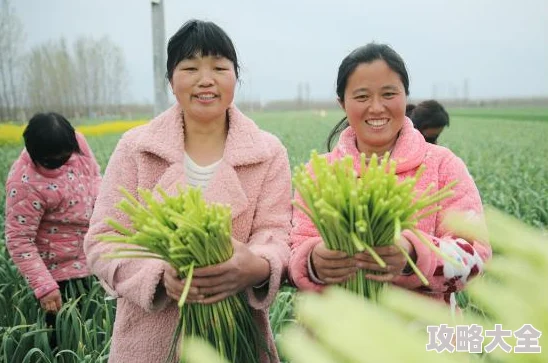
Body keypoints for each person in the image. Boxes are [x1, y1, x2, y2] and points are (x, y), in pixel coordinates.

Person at [84, 20, 292, 363]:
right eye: (190, 67)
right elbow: (104, 239)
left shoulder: (267, 152)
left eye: (219, 68)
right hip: (149, 341)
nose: (205, 79)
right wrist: (158, 276)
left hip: (236, 341)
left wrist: (253, 266)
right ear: (171, 80)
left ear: (235, 77)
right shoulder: (136, 149)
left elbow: (278, 234)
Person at [288, 43, 491, 309]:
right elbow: (292, 255)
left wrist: (413, 254)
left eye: (388, 94)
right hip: (334, 340)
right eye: (361, 97)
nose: (376, 108)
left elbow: (477, 257)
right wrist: (313, 261)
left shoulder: (443, 165)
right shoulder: (319, 174)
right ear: (342, 103)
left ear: (405, 96)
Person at [4, 112, 102, 344]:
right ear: (33, 152)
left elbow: (95, 176)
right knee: (64, 342)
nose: (61, 162)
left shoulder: (78, 143)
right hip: (57, 276)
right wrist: (45, 287)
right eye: (51, 161)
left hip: (92, 260)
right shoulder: (24, 183)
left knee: (95, 335)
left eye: (65, 157)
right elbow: (19, 240)